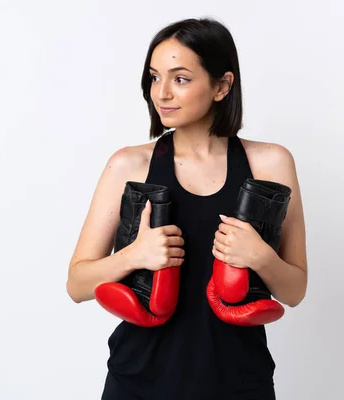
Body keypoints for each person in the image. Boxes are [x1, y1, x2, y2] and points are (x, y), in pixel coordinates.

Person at [66, 17, 308, 400]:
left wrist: (261, 256)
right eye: (154, 77)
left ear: (222, 85)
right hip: (139, 382)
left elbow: (295, 290)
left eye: (180, 79)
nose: (161, 93)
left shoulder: (271, 163)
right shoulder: (127, 165)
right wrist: (133, 255)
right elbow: (77, 285)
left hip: (239, 383)